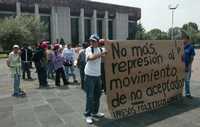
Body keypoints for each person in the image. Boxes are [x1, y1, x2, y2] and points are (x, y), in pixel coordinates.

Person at [84, 34, 107, 124]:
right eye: (91, 41)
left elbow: (105, 57)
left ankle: (95, 112)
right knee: (90, 96)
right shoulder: (89, 49)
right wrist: (102, 53)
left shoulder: (101, 49)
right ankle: (88, 115)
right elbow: (91, 58)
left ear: (98, 42)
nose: (92, 42)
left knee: (98, 95)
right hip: (89, 76)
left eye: (94, 41)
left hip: (98, 76)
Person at [183, 35, 195, 99]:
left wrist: (188, 66)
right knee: (180, 80)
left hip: (187, 66)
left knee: (187, 81)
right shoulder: (181, 46)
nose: (183, 40)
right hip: (181, 67)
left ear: (188, 39)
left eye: (184, 39)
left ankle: (187, 93)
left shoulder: (190, 47)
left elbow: (192, 58)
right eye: (183, 39)